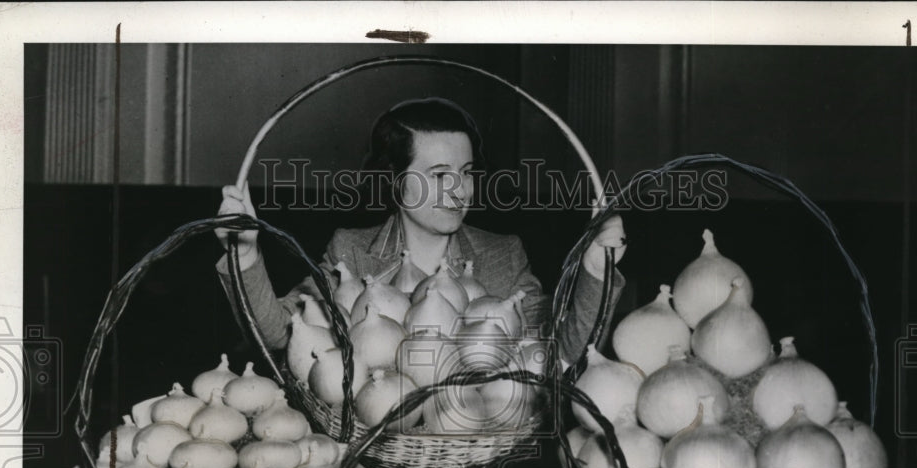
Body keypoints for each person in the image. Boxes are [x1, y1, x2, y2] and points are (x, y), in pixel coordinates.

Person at [214, 97, 626, 366]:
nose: (458, 190)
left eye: (465, 173)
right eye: (438, 174)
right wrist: (246, 252)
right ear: (395, 180)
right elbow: (280, 332)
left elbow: (564, 354)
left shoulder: (504, 254)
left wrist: (595, 271)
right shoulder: (352, 252)